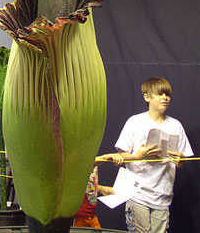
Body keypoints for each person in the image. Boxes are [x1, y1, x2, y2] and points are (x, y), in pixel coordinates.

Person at [115, 76, 193, 233]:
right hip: (138, 194)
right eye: (160, 94)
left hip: (162, 197)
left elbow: (183, 160)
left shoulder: (175, 125)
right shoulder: (135, 122)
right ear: (147, 97)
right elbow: (121, 155)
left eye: (167, 95)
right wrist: (138, 155)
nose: (165, 98)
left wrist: (180, 160)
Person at [73, 153, 124, 228]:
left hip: (90, 214)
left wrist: (100, 189)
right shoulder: (78, 158)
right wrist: (105, 157)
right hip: (78, 216)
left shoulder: (90, 156)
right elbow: (82, 166)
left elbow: (84, 180)